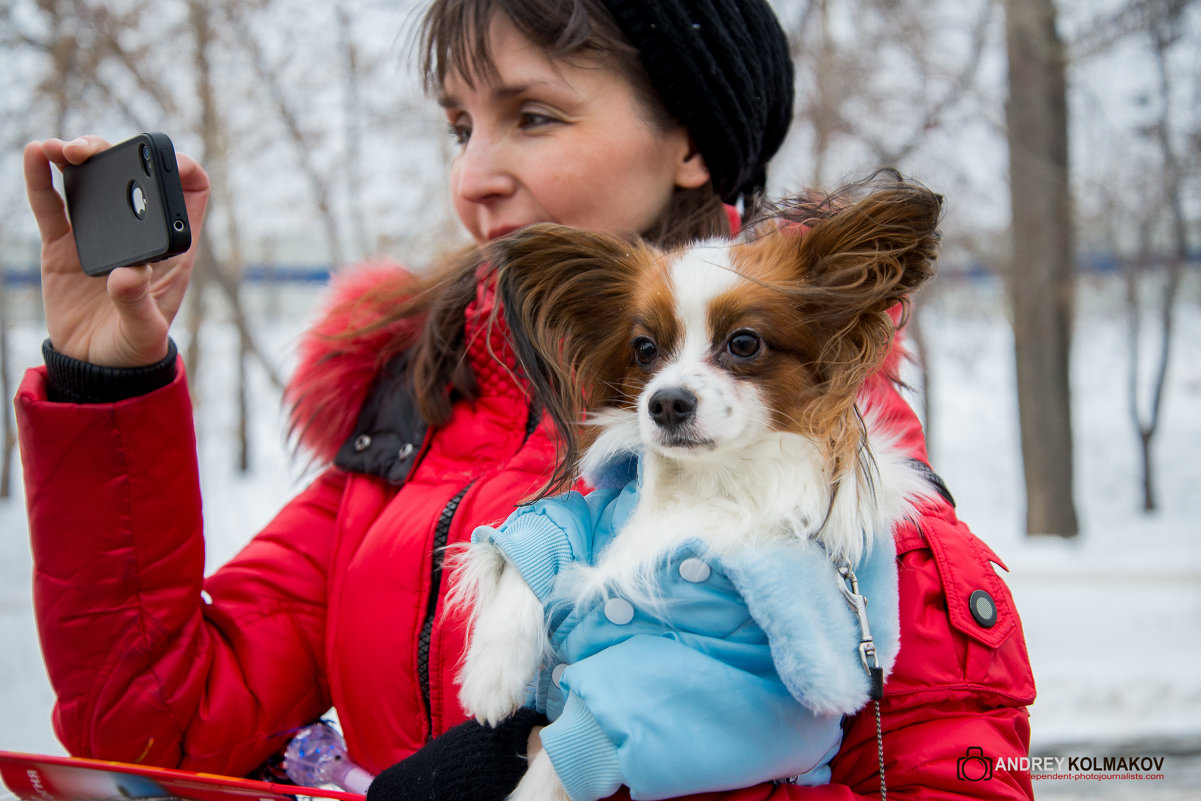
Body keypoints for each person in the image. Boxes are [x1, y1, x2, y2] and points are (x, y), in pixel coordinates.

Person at [16, 0, 1035, 799]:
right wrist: (108, 379)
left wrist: (569, 766)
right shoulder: (412, 421)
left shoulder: (824, 464)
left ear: (688, 140)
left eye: (530, 116)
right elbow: (153, 724)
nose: (473, 177)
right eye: (459, 125)